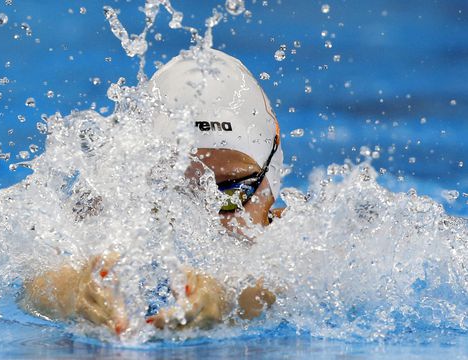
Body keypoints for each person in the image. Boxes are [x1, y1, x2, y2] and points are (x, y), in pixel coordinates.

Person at [19, 49, 284, 336]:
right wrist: (75, 293)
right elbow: (30, 278)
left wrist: (226, 298)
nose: (202, 219)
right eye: (174, 190)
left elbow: (289, 283)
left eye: (230, 192)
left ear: (271, 174)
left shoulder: (300, 235)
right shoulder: (111, 217)